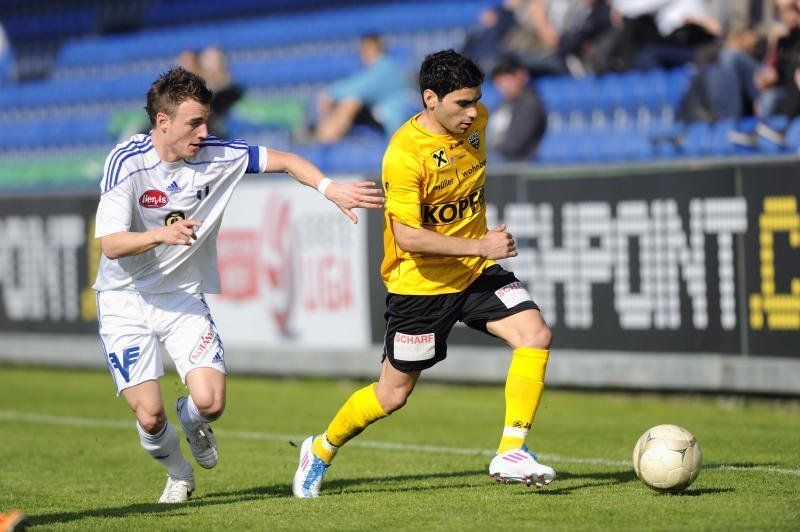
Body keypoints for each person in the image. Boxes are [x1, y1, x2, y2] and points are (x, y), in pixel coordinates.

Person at [94, 67, 382, 503]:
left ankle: (191, 420)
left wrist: (329, 188)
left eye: (206, 121)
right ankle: (179, 474)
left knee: (210, 403)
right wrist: (160, 235)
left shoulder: (218, 153)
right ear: (163, 122)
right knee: (150, 416)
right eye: (194, 123)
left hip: (181, 297)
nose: (204, 132)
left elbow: (285, 160)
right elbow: (111, 245)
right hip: (124, 301)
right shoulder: (127, 162)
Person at [293, 50, 555, 498]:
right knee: (391, 395)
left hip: (473, 272)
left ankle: (511, 450)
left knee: (535, 334)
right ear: (430, 98)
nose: (472, 112)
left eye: (476, 101)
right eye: (462, 103)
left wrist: (479, 252)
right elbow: (408, 237)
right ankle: (320, 448)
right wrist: (482, 245)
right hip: (421, 287)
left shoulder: (478, 122)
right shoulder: (404, 154)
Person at [313, 34, 411, 143]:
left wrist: (330, 93)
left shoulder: (386, 68)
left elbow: (361, 86)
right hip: (376, 112)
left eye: (365, 49)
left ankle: (323, 142)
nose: (362, 53)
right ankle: (322, 140)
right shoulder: (374, 68)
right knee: (347, 101)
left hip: (392, 119)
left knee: (351, 102)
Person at [487, 55, 547, 161]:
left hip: (518, 164)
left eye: (507, 79)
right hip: (498, 161)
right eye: (499, 82)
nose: (503, 86)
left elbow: (514, 144)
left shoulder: (530, 104)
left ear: (521, 76)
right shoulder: (503, 104)